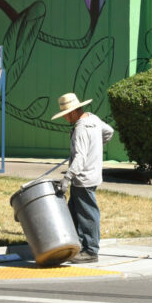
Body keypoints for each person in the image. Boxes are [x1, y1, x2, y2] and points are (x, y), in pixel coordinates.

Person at [51, 92, 115, 264]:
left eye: (65, 115)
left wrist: (67, 178)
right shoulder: (93, 119)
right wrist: (96, 146)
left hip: (83, 178)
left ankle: (91, 251)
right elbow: (109, 131)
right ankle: (76, 245)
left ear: (72, 112)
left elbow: (79, 158)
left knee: (87, 214)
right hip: (93, 174)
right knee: (73, 211)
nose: (65, 118)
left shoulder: (80, 128)